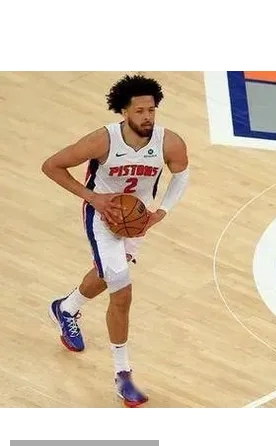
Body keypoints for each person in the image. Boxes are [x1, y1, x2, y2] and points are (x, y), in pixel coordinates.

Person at [41, 74, 190, 407]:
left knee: (106, 273)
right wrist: (92, 197)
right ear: (123, 111)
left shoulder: (169, 142)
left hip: (136, 220)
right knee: (121, 291)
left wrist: (161, 212)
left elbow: (181, 175)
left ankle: (65, 308)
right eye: (139, 111)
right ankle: (123, 375)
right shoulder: (102, 141)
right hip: (103, 217)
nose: (147, 117)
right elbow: (52, 166)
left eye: (151, 110)